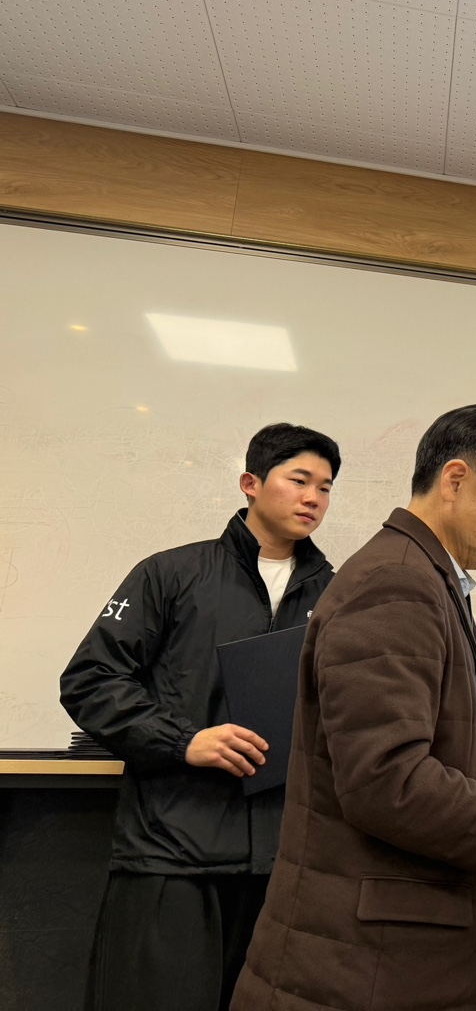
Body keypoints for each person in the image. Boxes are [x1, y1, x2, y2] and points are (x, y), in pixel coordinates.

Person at [233, 404, 476, 1011]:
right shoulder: (397, 582)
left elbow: (418, 754)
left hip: (385, 953)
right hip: (370, 963)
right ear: (455, 480)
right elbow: (385, 781)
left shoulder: (423, 576)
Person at [59, 423, 342, 1011]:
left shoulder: (339, 594)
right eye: (299, 480)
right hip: (172, 855)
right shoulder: (171, 574)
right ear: (250, 483)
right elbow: (89, 680)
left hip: (285, 865)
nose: (313, 497)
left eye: (325, 487)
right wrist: (183, 740)